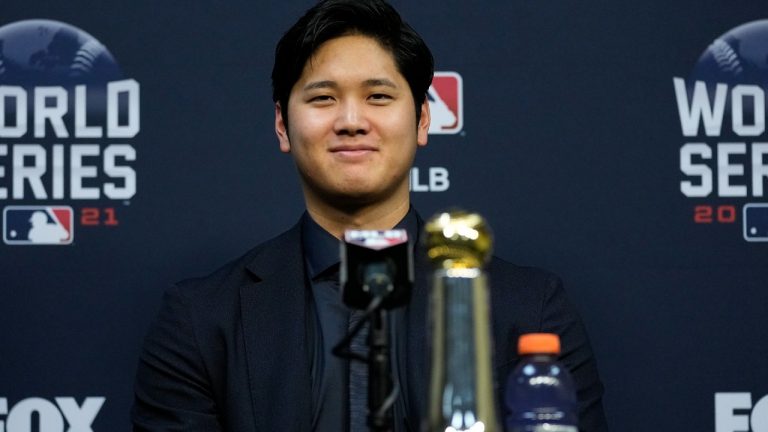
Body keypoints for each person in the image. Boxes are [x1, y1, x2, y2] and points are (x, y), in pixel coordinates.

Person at [131, 1, 609, 431]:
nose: (352, 120)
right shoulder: (200, 320)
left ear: (423, 119)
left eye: (378, 96)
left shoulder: (529, 309)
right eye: (323, 98)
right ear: (282, 124)